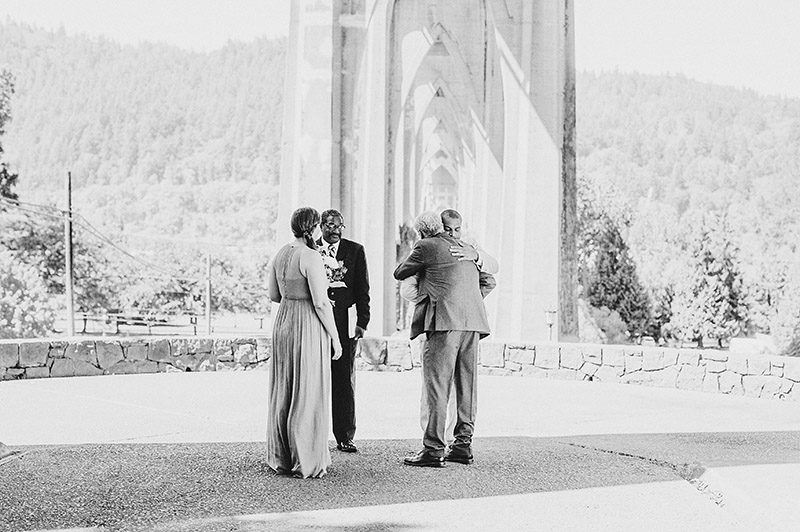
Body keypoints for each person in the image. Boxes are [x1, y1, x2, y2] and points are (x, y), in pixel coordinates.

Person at [394, 209, 491, 468]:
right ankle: (462, 446)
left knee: (437, 387)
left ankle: (434, 449)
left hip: (444, 324)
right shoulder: (466, 248)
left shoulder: (426, 245)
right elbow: (489, 280)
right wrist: (467, 300)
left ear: (423, 231)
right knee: (466, 386)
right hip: (473, 324)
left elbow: (399, 272)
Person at [266, 207, 342, 479]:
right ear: (313, 229)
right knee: (307, 389)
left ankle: (282, 457)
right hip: (307, 324)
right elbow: (321, 302)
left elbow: (274, 295)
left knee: (285, 388)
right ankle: (306, 459)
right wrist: (335, 338)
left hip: (284, 321)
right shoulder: (310, 257)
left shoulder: (281, 254)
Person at [318, 209, 370, 453]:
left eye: (340, 226)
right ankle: (314, 435)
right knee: (315, 379)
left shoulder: (355, 250)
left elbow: (363, 289)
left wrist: (363, 322)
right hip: (317, 321)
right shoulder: (311, 250)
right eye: (330, 225)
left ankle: (345, 435)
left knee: (344, 380)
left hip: (345, 324)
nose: (336, 230)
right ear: (321, 226)